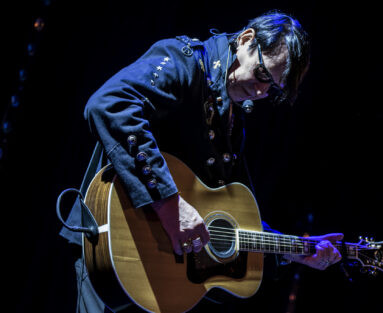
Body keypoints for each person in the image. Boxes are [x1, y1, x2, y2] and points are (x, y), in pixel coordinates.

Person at [59, 10, 344, 312]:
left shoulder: (232, 123)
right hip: (115, 242)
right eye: (262, 74)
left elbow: (231, 217)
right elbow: (110, 105)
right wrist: (169, 204)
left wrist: (293, 250)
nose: (261, 91)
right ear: (246, 40)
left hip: (164, 272)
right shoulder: (183, 62)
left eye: (271, 88)